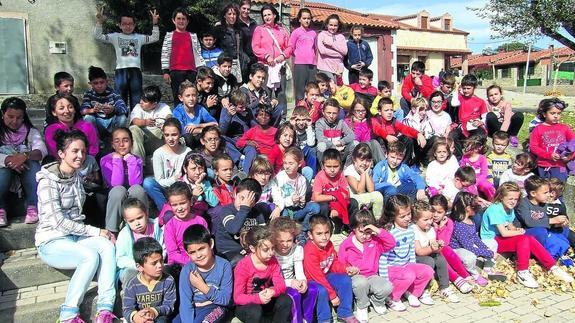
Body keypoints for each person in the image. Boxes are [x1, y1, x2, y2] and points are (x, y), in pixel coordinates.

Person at [35, 130, 117, 323]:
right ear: (61, 154)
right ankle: (68, 314)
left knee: (107, 246)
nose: (80, 156)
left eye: (83, 151)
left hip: (75, 237)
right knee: (89, 257)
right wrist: (95, 230)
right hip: (51, 241)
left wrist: (98, 234)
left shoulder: (76, 176)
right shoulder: (47, 181)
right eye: (74, 151)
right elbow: (59, 221)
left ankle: (105, 308)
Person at [480, 182, 573, 288]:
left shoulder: (509, 209)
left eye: (516, 199)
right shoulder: (495, 209)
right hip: (491, 240)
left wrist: (516, 229)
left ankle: (552, 267)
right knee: (523, 239)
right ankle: (522, 272)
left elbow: (510, 226)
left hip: (500, 238)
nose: (513, 202)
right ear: (501, 196)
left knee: (528, 238)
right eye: (511, 199)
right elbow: (504, 233)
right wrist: (520, 232)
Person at [377, 195, 434, 311]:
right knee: (408, 275)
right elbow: (383, 258)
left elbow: (411, 250)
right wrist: (384, 279)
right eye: (402, 216)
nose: (407, 218)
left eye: (409, 214)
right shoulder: (390, 233)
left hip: (405, 266)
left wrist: (414, 266)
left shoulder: (411, 229)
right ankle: (392, 297)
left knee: (427, 271)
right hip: (391, 268)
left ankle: (413, 293)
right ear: (393, 216)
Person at [94, 9, 160, 109]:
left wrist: (155, 24)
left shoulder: (139, 37)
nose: (127, 26)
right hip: (121, 71)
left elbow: (155, 37)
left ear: (134, 25)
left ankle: (134, 121)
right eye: (124, 24)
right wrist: (99, 22)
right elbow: (98, 36)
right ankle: (121, 121)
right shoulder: (115, 36)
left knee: (136, 99)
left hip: (135, 71)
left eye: (130, 24)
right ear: (119, 25)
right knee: (120, 98)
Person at [338, 209, 394, 321]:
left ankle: (376, 300)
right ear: (354, 229)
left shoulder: (375, 242)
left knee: (388, 286)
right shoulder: (347, 244)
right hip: (356, 277)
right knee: (360, 282)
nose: (365, 236)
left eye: (368, 232)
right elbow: (340, 262)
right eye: (361, 232)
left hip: (372, 276)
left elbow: (391, 243)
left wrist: (377, 230)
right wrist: (348, 269)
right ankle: (362, 305)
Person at [303, 214, 359, 323]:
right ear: (310, 235)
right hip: (312, 280)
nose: (324, 237)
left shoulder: (329, 245)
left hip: (326, 275)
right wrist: (332, 295)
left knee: (345, 280)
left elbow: (333, 263)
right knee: (322, 291)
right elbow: (317, 276)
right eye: (319, 234)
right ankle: (324, 319)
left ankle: (345, 313)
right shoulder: (310, 251)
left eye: (326, 233)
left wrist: (346, 269)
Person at [0, 97, 47, 226]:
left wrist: (24, 156)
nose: (14, 121)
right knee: (2, 170)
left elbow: (41, 150)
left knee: (33, 164)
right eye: (10, 116)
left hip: (25, 173)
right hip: (4, 175)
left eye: (19, 117)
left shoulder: (30, 132)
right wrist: (9, 160)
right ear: (2, 114)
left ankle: (32, 206)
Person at [234, 226, 293, 322]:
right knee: (255, 310)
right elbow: (238, 297)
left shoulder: (273, 261)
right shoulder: (243, 266)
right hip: (247, 305)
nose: (271, 253)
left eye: (273, 248)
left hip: (265, 300)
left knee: (285, 300)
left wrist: (273, 291)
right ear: (252, 248)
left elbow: (281, 285)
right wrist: (257, 298)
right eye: (266, 249)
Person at [177, 224, 233, 323]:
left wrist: (202, 286)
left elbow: (225, 300)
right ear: (187, 253)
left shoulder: (224, 265)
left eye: (201, 249)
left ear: (211, 244)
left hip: (216, 307)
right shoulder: (187, 270)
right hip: (194, 308)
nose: (198, 255)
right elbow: (185, 303)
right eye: (192, 252)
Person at [270, 217, 320, 323]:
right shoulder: (272, 252)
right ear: (274, 239)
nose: (285, 244)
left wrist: (303, 281)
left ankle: (307, 318)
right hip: (278, 284)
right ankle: (296, 320)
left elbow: (299, 271)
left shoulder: (297, 249)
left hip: (293, 282)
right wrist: (290, 282)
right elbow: (272, 278)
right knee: (294, 294)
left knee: (312, 289)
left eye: (289, 240)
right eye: (281, 241)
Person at [412, 201, 462, 303]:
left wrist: (438, 246)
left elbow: (433, 244)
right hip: (414, 258)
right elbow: (419, 252)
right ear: (415, 219)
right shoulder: (413, 230)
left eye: (431, 218)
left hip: (427, 254)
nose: (430, 222)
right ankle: (423, 290)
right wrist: (432, 248)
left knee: (440, 258)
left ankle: (444, 287)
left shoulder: (430, 229)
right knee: (429, 261)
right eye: (425, 219)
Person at [100, 127, 147, 234]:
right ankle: (112, 230)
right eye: (117, 141)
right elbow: (116, 184)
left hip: (132, 194)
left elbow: (135, 183)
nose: (121, 144)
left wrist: (130, 160)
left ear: (132, 143)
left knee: (138, 189)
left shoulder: (136, 159)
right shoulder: (105, 160)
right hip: (116, 196)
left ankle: (143, 225)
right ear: (112, 144)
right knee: (119, 190)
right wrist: (117, 160)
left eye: (125, 140)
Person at [449, 192, 503, 285]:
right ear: (468, 209)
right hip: (457, 249)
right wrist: (489, 253)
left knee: (492, 244)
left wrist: (485, 248)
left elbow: (475, 237)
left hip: (468, 245)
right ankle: (474, 274)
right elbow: (468, 247)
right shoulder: (458, 225)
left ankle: (488, 268)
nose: (478, 210)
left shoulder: (470, 220)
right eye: (476, 207)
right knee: (470, 257)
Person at [429, 194, 482, 287]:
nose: (435, 215)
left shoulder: (448, 222)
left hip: (443, 249)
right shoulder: (427, 222)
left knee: (447, 251)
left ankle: (465, 275)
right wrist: (437, 228)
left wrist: (441, 228)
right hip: (431, 251)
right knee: (442, 256)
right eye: (433, 211)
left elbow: (444, 242)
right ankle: (457, 280)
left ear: (445, 212)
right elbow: (433, 243)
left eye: (439, 212)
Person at [514, 176, 571, 260]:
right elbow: (529, 222)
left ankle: (557, 252)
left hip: (540, 230)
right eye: (545, 193)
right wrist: (552, 220)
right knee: (541, 231)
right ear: (533, 193)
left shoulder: (543, 204)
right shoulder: (523, 204)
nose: (548, 195)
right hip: (524, 232)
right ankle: (543, 254)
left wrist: (558, 224)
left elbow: (543, 220)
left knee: (564, 229)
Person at [271, 147, 320, 241]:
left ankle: (303, 230)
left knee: (315, 207)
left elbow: (301, 203)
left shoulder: (301, 179)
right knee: (283, 215)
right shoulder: (280, 177)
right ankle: (287, 233)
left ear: (299, 164)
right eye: (285, 163)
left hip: (296, 210)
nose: (287, 166)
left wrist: (301, 201)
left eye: (291, 163)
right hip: (283, 208)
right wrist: (289, 201)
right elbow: (276, 196)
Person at [122, 237, 176, 323]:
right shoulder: (132, 285)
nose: (159, 265)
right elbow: (127, 309)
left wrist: (153, 311)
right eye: (154, 263)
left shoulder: (168, 281)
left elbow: (169, 306)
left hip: (159, 317)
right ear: (139, 267)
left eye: (161, 261)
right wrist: (136, 317)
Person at [214, 178, 265, 266]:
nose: (243, 203)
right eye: (241, 198)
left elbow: (262, 235)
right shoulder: (226, 210)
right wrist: (244, 209)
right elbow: (233, 229)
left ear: (254, 203)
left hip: (249, 251)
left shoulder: (257, 214)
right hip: (228, 253)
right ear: (235, 194)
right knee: (243, 261)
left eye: (249, 201)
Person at [143, 118, 191, 210]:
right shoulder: (158, 153)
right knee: (148, 183)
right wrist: (174, 179)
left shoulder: (187, 151)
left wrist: (179, 180)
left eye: (174, 135)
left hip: (182, 188)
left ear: (180, 134)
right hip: (165, 188)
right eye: (167, 135)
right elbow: (159, 180)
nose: (170, 139)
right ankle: (166, 210)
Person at [252, 4, 292, 113]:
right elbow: (255, 47)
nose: (267, 17)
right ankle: (266, 115)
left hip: (280, 67)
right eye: (264, 15)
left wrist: (282, 56)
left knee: (281, 92)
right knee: (266, 92)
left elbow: (289, 47)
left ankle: (282, 116)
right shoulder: (259, 30)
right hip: (265, 66)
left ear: (274, 15)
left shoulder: (282, 30)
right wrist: (266, 56)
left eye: (269, 14)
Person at [116, 198, 163, 285]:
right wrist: (140, 266)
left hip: (154, 265)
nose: (137, 223)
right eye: (131, 221)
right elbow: (120, 259)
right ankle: (129, 295)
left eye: (139, 218)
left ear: (146, 214)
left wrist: (155, 263)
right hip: (133, 267)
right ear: (126, 221)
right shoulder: (125, 234)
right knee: (130, 273)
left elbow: (163, 248)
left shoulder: (155, 229)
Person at [161, 8, 202, 106]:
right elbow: (165, 53)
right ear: (173, 20)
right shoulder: (169, 36)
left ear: (187, 21)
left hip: (192, 71)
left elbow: (198, 52)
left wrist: (200, 69)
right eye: (178, 18)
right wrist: (165, 72)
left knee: (192, 97)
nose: (181, 21)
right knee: (178, 96)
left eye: (183, 19)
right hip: (175, 71)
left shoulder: (192, 36)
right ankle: (178, 119)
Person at [312, 149, 358, 233]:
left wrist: (337, 207)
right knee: (323, 207)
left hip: (338, 203)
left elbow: (346, 194)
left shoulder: (340, 174)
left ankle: (350, 227)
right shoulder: (320, 177)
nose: (332, 170)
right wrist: (334, 197)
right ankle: (325, 228)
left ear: (340, 165)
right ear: (323, 165)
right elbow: (317, 197)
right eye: (329, 167)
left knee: (353, 202)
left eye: (335, 166)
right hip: (327, 203)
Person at [163, 182, 209, 266]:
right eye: (175, 205)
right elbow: (173, 254)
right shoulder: (170, 226)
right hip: (181, 266)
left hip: (203, 261)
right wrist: (192, 262)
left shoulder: (200, 221)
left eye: (182, 203)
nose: (179, 208)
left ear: (191, 201)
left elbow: (207, 245)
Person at [529, 98, 574, 182]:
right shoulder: (538, 129)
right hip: (543, 166)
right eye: (552, 113)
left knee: (557, 191)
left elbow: (573, 142)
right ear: (544, 114)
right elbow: (533, 147)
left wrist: (569, 156)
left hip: (560, 166)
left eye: (559, 113)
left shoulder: (564, 128)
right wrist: (549, 155)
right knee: (544, 191)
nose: (556, 116)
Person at [371, 98, 426, 166]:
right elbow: (378, 129)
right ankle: (384, 165)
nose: (390, 112)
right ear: (379, 111)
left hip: (392, 146)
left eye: (391, 110)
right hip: (381, 149)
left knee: (408, 139)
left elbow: (405, 128)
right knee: (379, 139)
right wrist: (387, 136)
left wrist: (418, 134)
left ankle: (404, 165)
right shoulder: (374, 120)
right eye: (386, 110)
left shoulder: (393, 121)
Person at [45, 94, 99, 159]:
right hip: (61, 163)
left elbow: (93, 149)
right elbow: (55, 152)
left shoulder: (87, 126)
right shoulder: (51, 130)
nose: (67, 111)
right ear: (54, 112)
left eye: (70, 107)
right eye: (61, 108)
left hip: (84, 162)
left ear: (75, 109)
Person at [80, 66, 128, 136]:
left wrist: (113, 109)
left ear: (107, 82)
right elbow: (82, 110)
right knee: (88, 118)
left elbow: (124, 109)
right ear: (90, 84)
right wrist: (92, 110)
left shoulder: (113, 93)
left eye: (102, 82)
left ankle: (116, 139)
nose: (99, 86)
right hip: (98, 124)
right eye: (95, 83)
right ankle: (96, 141)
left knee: (122, 118)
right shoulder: (88, 94)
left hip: (111, 123)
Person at [128, 85, 173, 160]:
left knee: (170, 127)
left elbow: (169, 116)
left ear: (154, 104)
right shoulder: (138, 107)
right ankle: (139, 162)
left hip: (158, 141)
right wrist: (145, 122)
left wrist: (166, 123)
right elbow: (135, 121)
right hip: (143, 141)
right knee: (133, 128)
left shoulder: (163, 107)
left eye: (145, 101)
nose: (141, 102)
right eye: (141, 99)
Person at [172, 80, 218, 149]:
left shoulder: (200, 109)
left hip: (199, 138)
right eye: (187, 96)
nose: (191, 99)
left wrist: (197, 126)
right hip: (185, 142)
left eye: (193, 95)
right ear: (181, 98)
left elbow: (215, 124)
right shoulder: (178, 111)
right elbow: (183, 130)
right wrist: (203, 130)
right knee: (188, 137)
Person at [451, 74, 487, 157]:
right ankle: (460, 157)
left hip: (474, 125)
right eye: (464, 88)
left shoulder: (480, 101)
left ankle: (477, 156)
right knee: (452, 135)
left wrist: (480, 122)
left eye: (468, 88)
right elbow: (454, 103)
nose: (466, 91)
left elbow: (485, 116)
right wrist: (457, 88)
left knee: (481, 135)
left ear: (474, 88)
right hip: (462, 126)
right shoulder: (460, 98)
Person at [344, 143, 384, 218]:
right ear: (354, 159)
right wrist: (363, 173)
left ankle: (378, 219)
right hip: (354, 198)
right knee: (356, 202)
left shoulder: (367, 170)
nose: (365, 163)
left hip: (364, 197)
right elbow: (359, 191)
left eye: (368, 160)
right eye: (362, 160)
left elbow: (371, 190)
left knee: (378, 195)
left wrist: (366, 173)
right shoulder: (349, 171)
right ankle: (355, 223)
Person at [236, 105, 277, 172]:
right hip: (256, 158)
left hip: (270, 158)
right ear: (256, 118)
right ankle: (246, 175)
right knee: (250, 150)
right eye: (261, 115)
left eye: (266, 115)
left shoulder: (275, 131)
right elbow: (238, 143)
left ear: (270, 118)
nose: (263, 117)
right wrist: (248, 142)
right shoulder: (253, 130)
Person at [214, 3, 249, 83]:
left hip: (239, 64)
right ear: (224, 15)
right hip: (224, 64)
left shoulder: (239, 30)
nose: (232, 16)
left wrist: (246, 59)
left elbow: (242, 48)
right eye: (229, 14)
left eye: (234, 14)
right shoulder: (219, 29)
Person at [345, 97, 386, 163]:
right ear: (353, 111)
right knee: (356, 143)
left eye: (363, 111)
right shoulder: (347, 122)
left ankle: (383, 167)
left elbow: (367, 139)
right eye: (358, 111)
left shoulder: (370, 121)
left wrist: (363, 123)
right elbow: (355, 140)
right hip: (353, 150)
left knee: (374, 142)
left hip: (367, 150)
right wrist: (359, 124)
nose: (361, 113)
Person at [289, 8, 317, 102]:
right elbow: (291, 48)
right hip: (300, 65)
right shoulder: (296, 32)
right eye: (304, 18)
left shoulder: (313, 33)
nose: (307, 20)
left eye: (308, 18)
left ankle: (311, 113)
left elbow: (315, 48)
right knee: (300, 91)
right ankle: (299, 112)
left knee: (311, 90)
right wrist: (300, 55)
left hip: (312, 65)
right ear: (300, 19)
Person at [459, 135, 496, 201]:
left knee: (487, 186)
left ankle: (492, 199)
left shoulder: (482, 158)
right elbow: (462, 169)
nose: (466, 149)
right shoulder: (465, 157)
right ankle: (475, 202)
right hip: (468, 180)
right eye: (466, 146)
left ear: (477, 148)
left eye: (469, 147)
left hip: (479, 180)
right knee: (469, 188)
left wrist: (477, 181)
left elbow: (484, 173)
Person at [316, 14, 347, 82]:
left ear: (338, 26)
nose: (333, 27)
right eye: (331, 25)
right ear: (327, 25)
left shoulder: (341, 37)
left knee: (336, 90)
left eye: (335, 25)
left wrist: (332, 44)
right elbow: (322, 51)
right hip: (325, 68)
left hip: (338, 69)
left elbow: (345, 51)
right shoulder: (322, 35)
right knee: (328, 89)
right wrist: (339, 54)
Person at [290, 106, 317, 174]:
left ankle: (312, 175)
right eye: (298, 120)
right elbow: (292, 143)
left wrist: (309, 126)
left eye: (303, 120)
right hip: (295, 152)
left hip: (306, 153)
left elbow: (311, 144)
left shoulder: (309, 129)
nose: (301, 123)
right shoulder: (292, 129)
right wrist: (293, 126)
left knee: (312, 150)